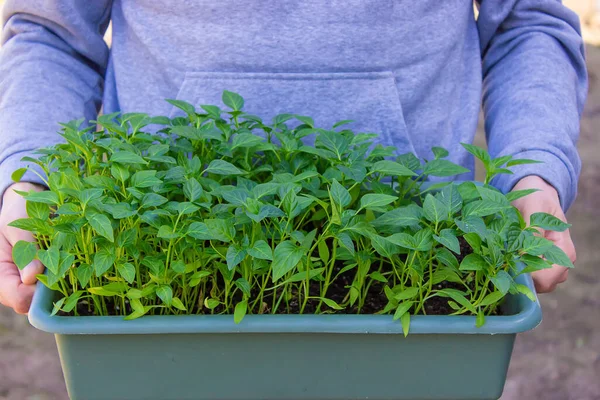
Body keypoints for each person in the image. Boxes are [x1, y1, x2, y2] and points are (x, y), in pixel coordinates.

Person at [0, 1, 585, 314]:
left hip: (422, 237)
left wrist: (533, 171)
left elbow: (526, 23)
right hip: (160, 254)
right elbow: (52, 31)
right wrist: (29, 178)